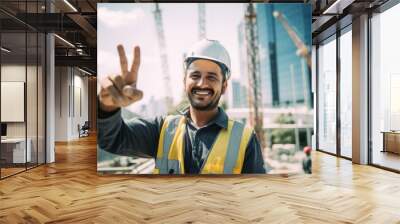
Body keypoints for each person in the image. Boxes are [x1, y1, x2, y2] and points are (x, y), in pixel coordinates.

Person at [98, 39, 266, 174]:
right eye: (195, 75)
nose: (202, 83)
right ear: (184, 82)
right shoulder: (162, 129)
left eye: (212, 77)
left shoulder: (245, 138)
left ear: (224, 86)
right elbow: (111, 139)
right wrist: (107, 107)